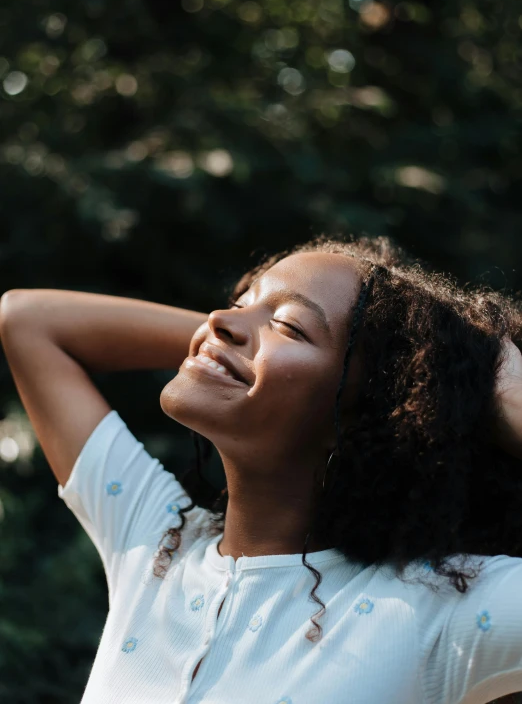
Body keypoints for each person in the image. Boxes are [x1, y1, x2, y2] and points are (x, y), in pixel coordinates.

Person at [2, 233, 522, 704]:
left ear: (374, 414)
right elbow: (28, 321)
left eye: (290, 326)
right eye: (237, 304)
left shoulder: (438, 612)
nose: (219, 320)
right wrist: (225, 344)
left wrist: (489, 387)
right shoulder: (157, 547)